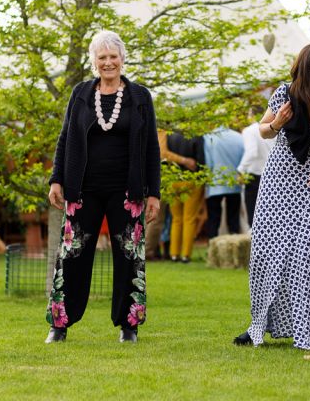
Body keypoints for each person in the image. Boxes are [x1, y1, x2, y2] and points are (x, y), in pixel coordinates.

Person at [233, 43, 310, 350]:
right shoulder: (284, 93)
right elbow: (263, 130)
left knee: (309, 256)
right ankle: (258, 324)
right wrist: (276, 123)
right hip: (278, 179)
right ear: (306, 68)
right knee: (268, 251)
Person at [46, 30, 161, 344]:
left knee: (129, 258)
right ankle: (60, 324)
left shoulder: (140, 97)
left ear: (122, 59)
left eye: (113, 57)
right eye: (102, 58)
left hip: (128, 192)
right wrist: (56, 179)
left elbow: (151, 146)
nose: (108, 63)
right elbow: (66, 137)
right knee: (71, 257)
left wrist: (154, 193)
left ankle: (129, 326)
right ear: (93, 61)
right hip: (82, 190)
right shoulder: (81, 93)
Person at [167, 131, 205, 262]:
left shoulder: (169, 135)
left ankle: (173, 253)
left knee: (176, 219)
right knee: (189, 218)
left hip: (173, 180)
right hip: (191, 180)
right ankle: (185, 255)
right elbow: (201, 160)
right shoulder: (196, 135)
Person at [238, 104, 275, 227]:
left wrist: (240, 170)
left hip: (255, 175)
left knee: (253, 212)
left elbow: (251, 152)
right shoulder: (273, 128)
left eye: (249, 114)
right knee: (269, 213)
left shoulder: (249, 131)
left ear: (252, 115)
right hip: (272, 174)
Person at [203, 127, 244, 238]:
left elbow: (208, 162)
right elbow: (243, 160)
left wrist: (207, 180)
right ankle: (235, 248)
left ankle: (212, 247)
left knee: (213, 219)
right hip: (234, 183)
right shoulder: (239, 137)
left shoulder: (209, 137)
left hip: (214, 183)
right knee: (233, 219)